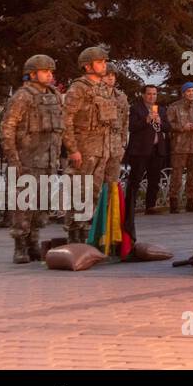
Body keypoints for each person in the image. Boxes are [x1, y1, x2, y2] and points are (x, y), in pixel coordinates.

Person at [0, 55, 63, 262]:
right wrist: (13, 159)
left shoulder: (54, 95)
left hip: (48, 160)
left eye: (51, 71)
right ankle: (20, 246)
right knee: (23, 204)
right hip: (26, 160)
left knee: (41, 204)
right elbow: (8, 128)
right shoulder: (22, 97)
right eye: (45, 71)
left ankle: (34, 242)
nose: (50, 75)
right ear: (33, 74)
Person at [62, 46, 118, 241]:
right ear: (87, 66)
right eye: (99, 62)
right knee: (78, 190)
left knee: (93, 192)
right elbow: (66, 120)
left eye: (104, 61)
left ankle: (86, 232)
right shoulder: (78, 88)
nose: (104, 65)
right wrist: (73, 149)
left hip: (101, 150)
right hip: (84, 149)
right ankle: (73, 233)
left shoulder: (104, 89)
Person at [166, 82, 193, 212]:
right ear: (183, 93)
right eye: (188, 91)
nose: (191, 93)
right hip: (179, 147)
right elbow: (168, 125)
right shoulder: (174, 107)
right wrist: (181, 128)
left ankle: (191, 202)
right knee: (177, 176)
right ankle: (174, 203)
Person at [125, 84, 165, 218]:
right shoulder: (136, 109)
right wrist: (146, 120)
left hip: (156, 149)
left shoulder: (161, 109)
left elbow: (168, 127)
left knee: (154, 179)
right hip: (140, 150)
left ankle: (150, 205)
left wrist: (161, 123)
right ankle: (130, 206)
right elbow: (132, 127)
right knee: (135, 179)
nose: (152, 96)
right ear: (143, 95)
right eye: (149, 94)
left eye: (154, 94)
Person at [102, 70, 129, 186]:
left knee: (112, 182)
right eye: (107, 75)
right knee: (94, 183)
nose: (110, 78)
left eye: (113, 75)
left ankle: (108, 204)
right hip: (98, 146)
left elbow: (125, 123)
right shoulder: (94, 94)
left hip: (116, 147)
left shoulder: (121, 97)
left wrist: (123, 145)